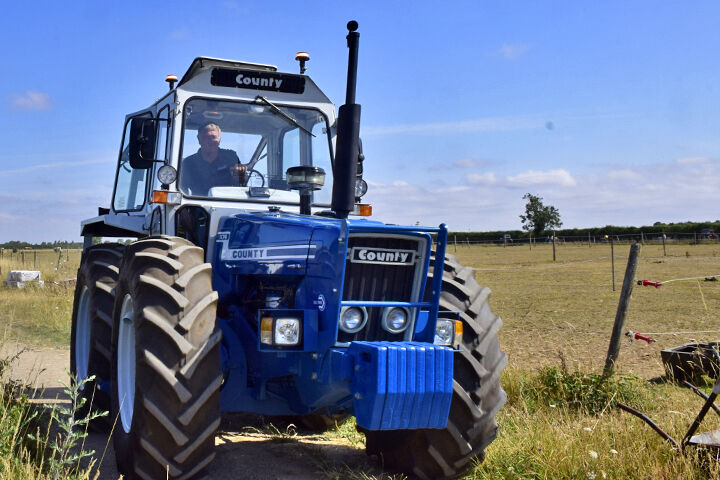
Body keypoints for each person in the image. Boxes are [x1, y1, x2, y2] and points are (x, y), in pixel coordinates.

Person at [180, 123, 247, 196]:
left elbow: (241, 185)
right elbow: (182, 190)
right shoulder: (188, 163)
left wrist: (241, 175)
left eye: (213, 137)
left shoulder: (231, 157)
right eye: (206, 137)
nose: (210, 141)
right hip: (197, 201)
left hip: (227, 200)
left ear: (219, 139)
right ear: (199, 139)